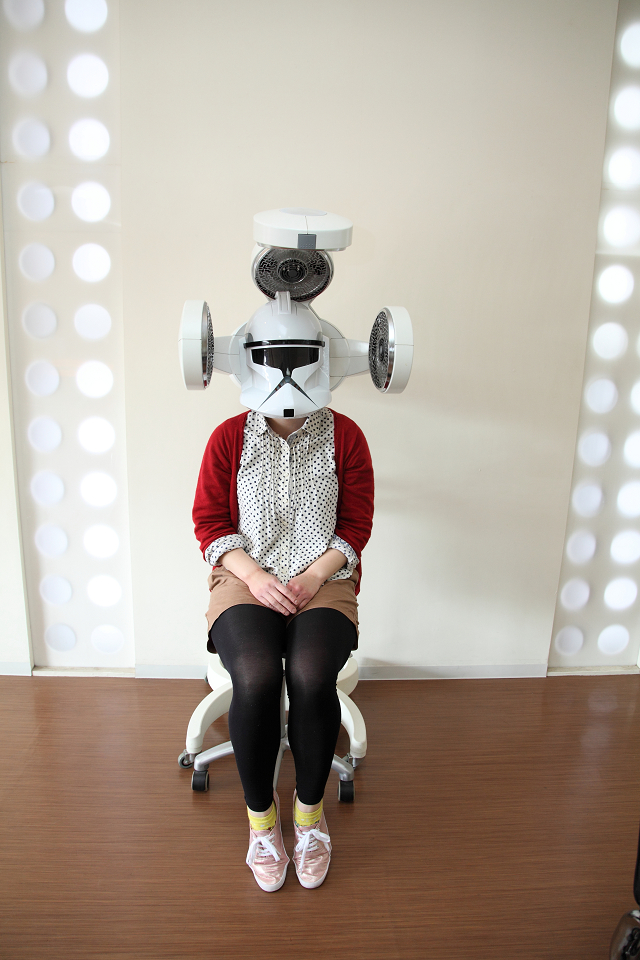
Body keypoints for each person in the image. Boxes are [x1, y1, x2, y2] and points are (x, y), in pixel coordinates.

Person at [192, 404, 374, 891]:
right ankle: (262, 824)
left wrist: (313, 577)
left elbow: (355, 525)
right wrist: (255, 577)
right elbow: (210, 522)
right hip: (243, 577)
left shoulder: (346, 436)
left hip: (326, 578)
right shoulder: (230, 436)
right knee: (256, 678)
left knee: (311, 678)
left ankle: (310, 818)